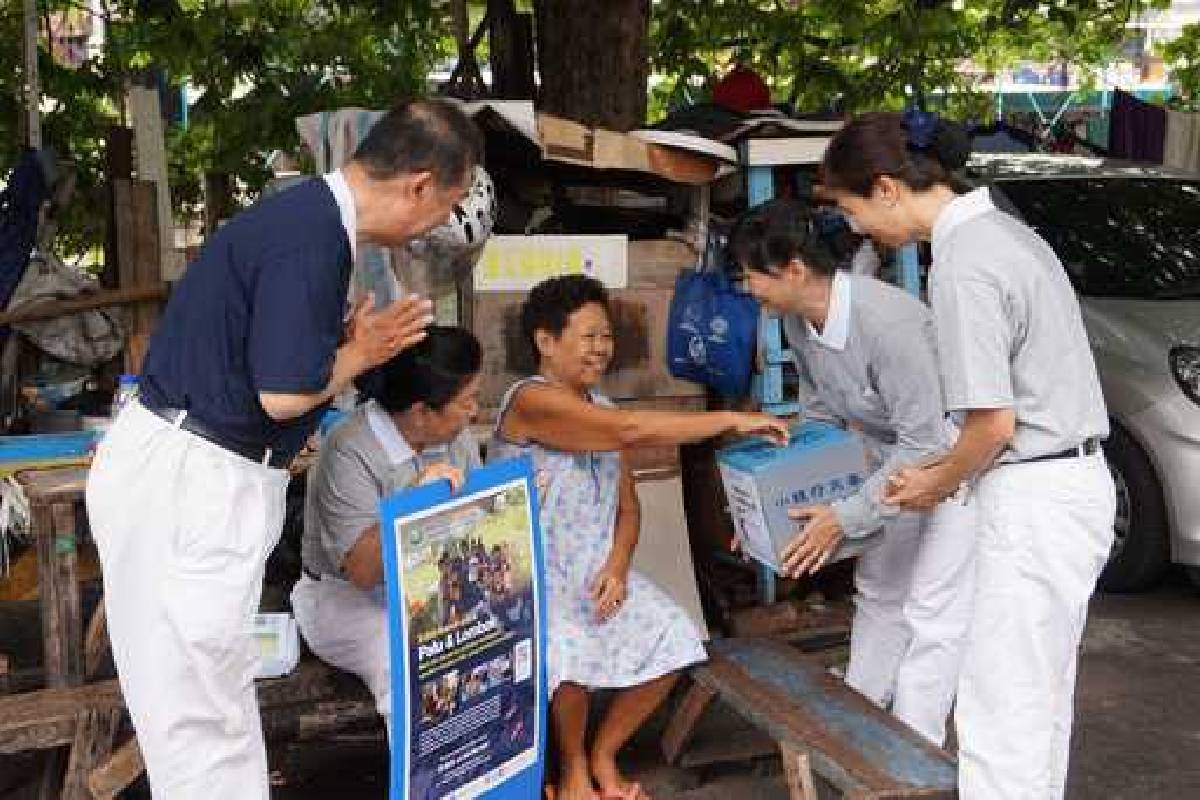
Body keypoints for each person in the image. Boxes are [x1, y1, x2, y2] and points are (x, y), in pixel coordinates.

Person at [84, 99, 481, 799]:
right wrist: (362, 351)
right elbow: (282, 395)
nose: (433, 227)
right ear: (419, 185)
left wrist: (344, 344)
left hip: (195, 474)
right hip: (194, 481)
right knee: (200, 716)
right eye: (444, 207)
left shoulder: (309, 224)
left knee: (212, 705)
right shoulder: (315, 239)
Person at [820, 110, 1115, 799]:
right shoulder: (1005, 233)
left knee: (998, 710)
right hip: (1063, 484)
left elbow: (991, 425)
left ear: (887, 188)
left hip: (1034, 495)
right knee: (1036, 705)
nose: (858, 229)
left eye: (853, 208)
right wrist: (937, 472)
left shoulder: (962, 265)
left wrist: (932, 484)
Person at [488, 274, 789, 800]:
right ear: (545, 342)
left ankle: (605, 755)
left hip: (595, 572)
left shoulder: (603, 409)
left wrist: (618, 567)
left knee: (677, 637)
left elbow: (628, 508)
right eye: (588, 336)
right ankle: (574, 767)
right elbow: (629, 431)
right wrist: (731, 419)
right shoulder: (528, 401)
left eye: (606, 336)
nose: (601, 348)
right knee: (565, 649)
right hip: (527, 575)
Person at [728, 198, 978, 747]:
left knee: (932, 614)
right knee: (880, 591)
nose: (748, 290)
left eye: (751, 277)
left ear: (793, 268)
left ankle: (916, 752)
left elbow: (926, 444)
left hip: (952, 466)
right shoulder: (798, 321)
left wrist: (845, 515)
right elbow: (821, 414)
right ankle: (860, 719)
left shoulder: (887, 325)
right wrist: (779, 495)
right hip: (890, 460)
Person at [291, 326, 483, 737]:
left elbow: (479, 522)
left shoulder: (455, 435)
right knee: (412, 663)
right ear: (420, 412)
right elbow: (362, 571)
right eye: (467, 402)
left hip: (436, 586)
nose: (475, 413)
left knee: (494, 635)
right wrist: (415, 503)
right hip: (347, 599)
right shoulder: (348, 449)